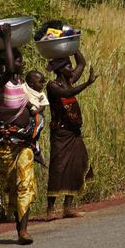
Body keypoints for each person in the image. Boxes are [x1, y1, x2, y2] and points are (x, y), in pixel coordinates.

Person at [0, 23, 37, 245]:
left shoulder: (19, 83)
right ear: (5, 62)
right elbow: (9, 68)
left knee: (25, 183)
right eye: (18, 59)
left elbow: (27, 105)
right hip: (7, 144)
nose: (22, 63)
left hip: (24, 142)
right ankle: (19, 227)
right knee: (11, 188)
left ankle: (24, 231)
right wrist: (7, 39)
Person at [44, 49, 97, 219]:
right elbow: (67, 94)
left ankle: (68, 207)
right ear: (60, 69)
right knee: (58, 168)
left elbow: (81, 63)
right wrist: (87, 83)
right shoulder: (53, 86)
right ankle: (50, 209)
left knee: (77, 165)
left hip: (74, 132)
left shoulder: (69, 80)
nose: (71, 68)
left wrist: (73, 47)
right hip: (61, 132)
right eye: (67, 66)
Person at [24, 70, 49, 166]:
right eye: (40, 82)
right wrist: (30, 107)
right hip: (29, 114)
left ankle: (33, 140)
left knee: (38, 122)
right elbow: (23, 98)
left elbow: (43, 105)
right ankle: (32, 142)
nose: (43, 85)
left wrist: (36, 111)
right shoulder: (24, 88)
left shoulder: (41, 94)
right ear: (31, 83)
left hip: (37, 115)